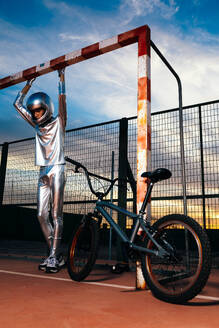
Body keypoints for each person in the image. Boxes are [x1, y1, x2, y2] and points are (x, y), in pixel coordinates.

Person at [13, 68, 67, 273]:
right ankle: (56, 254)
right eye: (33, 112)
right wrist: (29, 84)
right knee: (40, 215)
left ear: (47, 108)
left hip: (58, 169)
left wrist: (61, 77)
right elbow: (16, 104)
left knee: (56, 214)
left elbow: (63, 102)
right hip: (42, 172)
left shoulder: (59, 122)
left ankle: (53, 256)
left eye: (38, 110)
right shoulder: (36, 125)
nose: (35, 114)